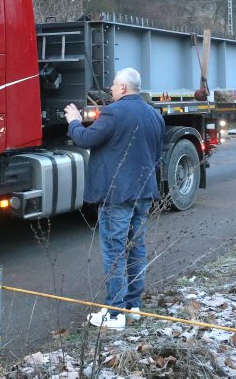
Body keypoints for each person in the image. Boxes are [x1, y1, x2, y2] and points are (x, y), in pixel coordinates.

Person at [63, 67, 166, 330]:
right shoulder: (154, 115)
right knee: (136, 248)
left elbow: (86, 138)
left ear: (123, 88)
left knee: (114, 251)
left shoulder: (114, 112)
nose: (110, 89)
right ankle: (132, 306)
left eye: (113, 85)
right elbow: (155, 155)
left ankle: (114, 312)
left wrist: (74, 120)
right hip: (143, 192)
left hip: (117, 194)